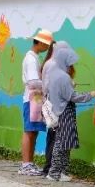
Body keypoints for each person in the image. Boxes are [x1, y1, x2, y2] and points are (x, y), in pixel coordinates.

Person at [44, 47, 95, 182]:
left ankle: (61, 172)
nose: (71, 66)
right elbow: (73, 97)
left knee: (64, 143)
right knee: (61, 143)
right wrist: (90, 95)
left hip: (57, 111)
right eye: (69, 63)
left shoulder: (54, 74)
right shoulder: (63, 77)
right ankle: (55, 172)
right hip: (64, 112)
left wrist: (70, 85)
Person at [19, 29, 53, 175]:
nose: (47, 48)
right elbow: (33, 82)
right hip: (32, 99)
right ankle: (26, 164)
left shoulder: (34, 57)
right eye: (45, 44)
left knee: (33, 132)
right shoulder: (31, 59)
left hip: (36, 98)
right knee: (29, 131)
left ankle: (29, 163)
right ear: (38, 42)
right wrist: (49, 84)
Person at [40, 40, 70, 176]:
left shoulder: (48, 63)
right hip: (56, 104)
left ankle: (49, 167)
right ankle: (53, 169)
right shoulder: (55, 65)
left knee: (52, 136)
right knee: (57, 137)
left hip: (49, 102)